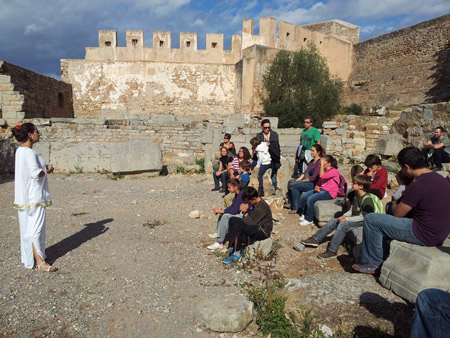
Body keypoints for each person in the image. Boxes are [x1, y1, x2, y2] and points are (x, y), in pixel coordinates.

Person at [353, 147, 450, 275]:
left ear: (406, 167)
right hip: (440, 233)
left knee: (372, 219)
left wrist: (396, 201)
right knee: (387, 210)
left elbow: (398, 213)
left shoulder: (418, 185)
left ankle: (372, 263)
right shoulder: (438, 178)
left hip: (423, 234)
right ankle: (384, 245)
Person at [11, 123, 57, 272]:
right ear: (30, 134)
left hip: (25, 197)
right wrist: (47, 170)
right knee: (36, 228)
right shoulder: (30, 153)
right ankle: (40, 261)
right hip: (34, 196)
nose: (40, 134)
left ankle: (33, 258)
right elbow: (35, 173)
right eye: (37, 131)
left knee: (28, 228)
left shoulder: (20, 151)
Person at [300, 175, 379, 259]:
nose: (352, 184)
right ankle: (315, 239)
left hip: (364, 221)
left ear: (361, 186)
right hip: (355, 218)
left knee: (342, 225)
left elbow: (363, 217)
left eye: (354, 183)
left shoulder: (367, 199)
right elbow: (352, 210)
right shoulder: (356, 196)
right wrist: (344, 215)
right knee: (333, 221)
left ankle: (332, 251)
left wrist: (346, 219)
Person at [223, 187, 273, 264]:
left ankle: (237, 253)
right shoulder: (256, 203)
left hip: (263, 231)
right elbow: (252, 217)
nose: (248, 203)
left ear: (254, 198)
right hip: (256, 225)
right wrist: (247, 211)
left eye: (249, 202)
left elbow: (251, 222)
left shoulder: (262, 207)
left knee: (239, 226)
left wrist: (244, 212)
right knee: (233, 220)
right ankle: (234, 245)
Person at [298, 155, 341, 226]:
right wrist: (317, 186)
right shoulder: (325, 171)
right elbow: (320, 180)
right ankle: (304, 213)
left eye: (323, 162)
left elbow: (321, 176)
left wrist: (321, 166)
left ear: (329, 163)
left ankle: (309, 219)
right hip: (322, 189)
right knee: (304, 196)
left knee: (310, 199)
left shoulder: (334, 171)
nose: (321, 163)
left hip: (329, 192)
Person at [207, 178, 245, 251]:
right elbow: (233, 207)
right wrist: (221, 210)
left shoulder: (241, 195)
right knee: (223, 210)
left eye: (229, 187)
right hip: (238, 212)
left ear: (235, 187)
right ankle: (219, 232)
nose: (228, 189)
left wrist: (221, 211)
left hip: (243, 215)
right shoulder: (237, 194)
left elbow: (234, 211)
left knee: (225, 216)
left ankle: (219, 241)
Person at [286, 143, 323, 214]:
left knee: (295, 187)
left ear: (318, 152)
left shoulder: (319, 163)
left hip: (314, 183)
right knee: (290, 182)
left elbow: (314, 177)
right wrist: (299, 179)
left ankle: (296, 207)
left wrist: (303, 181)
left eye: (313, 151)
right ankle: (290, 202)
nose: (311, 152)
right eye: (311, 150)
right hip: (308, 180)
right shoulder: (312, 161)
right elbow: (305, 172)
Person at [256, 119, 281, 196]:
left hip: (273, 158)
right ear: (262, 127)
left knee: (274, 176)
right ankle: (260, 189)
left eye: (268, 127)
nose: (267, 129)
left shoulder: (274, 134)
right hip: (264, 159)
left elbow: (276, 147)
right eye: (265, 127)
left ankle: (275, 190)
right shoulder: (259, 135)